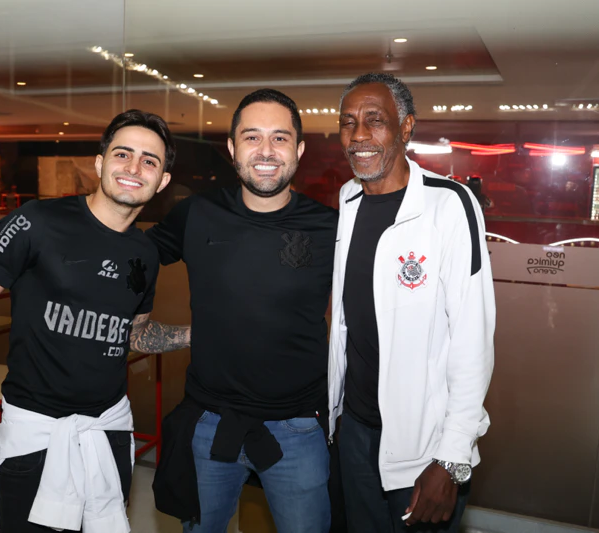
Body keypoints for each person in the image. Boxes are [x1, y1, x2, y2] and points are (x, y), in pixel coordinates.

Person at [0, 110, 191, 533]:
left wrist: (197, 335)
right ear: (100, 162)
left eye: (149, 161)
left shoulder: (144, 253)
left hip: (107, 429)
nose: (133, 167)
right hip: (36, 432)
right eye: (123, 154)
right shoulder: (37, 221)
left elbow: (135, 334)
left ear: (161, 181)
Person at [148, 89, 337, 533]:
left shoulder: (330, 227)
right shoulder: (197, 213)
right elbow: (133, 258)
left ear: (299, 149)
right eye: (252, 137)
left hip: (299, 429)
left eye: (280, 138)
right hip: (209, 425)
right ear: (232, 148)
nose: (266, 151)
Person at [328, 73, 496, 533]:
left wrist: (452, 458)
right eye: (348, 122)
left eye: (375, 120)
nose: (358, 135)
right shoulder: (348, 199)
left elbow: (472, 342)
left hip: (425, 449)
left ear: (405, 128)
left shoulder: (449, 205)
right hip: (356, 432)